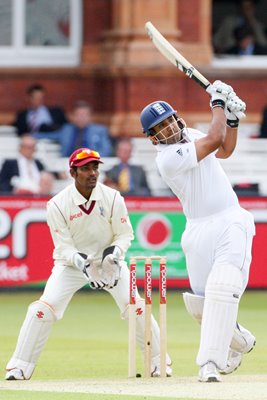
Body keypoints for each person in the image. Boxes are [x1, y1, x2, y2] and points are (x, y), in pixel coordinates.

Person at [5, 147, 172, 380]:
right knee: (43, 309)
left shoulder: (113, 197)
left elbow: (125, 235)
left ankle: (158, 362)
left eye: (95, 167)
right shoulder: (57, 204)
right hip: (71, 265)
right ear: (73, 173)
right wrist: (83, 263)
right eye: (85, 169)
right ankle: (20, 366)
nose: (92, 173)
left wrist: (114, 255)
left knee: (136, 306)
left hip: (108, 262)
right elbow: (63, 247)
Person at [140, 81, 256, 383]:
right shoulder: (167, 160)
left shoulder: (190, 134)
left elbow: (225, 148)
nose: (169, 128)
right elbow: (215, 138)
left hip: (230, 220)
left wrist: (231, 118)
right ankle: (241, 342)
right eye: (160, 128)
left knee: (222, 287)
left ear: (177, 117)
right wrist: (218, 102)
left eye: (169, 120)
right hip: (197, 230)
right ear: (153, 139)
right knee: (201, 306)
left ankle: (208, 364)